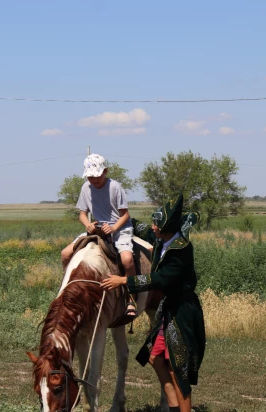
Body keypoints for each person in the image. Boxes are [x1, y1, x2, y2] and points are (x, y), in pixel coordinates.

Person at [101, 194, 206, 412]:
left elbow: (161, 279)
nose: (152, 226)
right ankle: (173, 407)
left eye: (156, 223)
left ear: (165, 227)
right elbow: (138, 227)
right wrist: (117, 216)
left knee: (179, 371)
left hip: (183, 312)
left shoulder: (181, 249)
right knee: (156, 358)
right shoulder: (161, 238)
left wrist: (124, 280)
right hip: (168, 308)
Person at [60, 153, 137, 317]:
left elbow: (125, 215)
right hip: (96, 228)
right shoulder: (85, 188)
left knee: (127, 260)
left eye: (97, 176)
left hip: (119, 228)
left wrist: (114, 228)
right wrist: (87, 224)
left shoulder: (115, 187)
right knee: (65, 253)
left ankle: (131, 297)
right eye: (90, 177)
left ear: (105, 171)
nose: (94, 180)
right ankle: (66, 289)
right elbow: (82, 214)